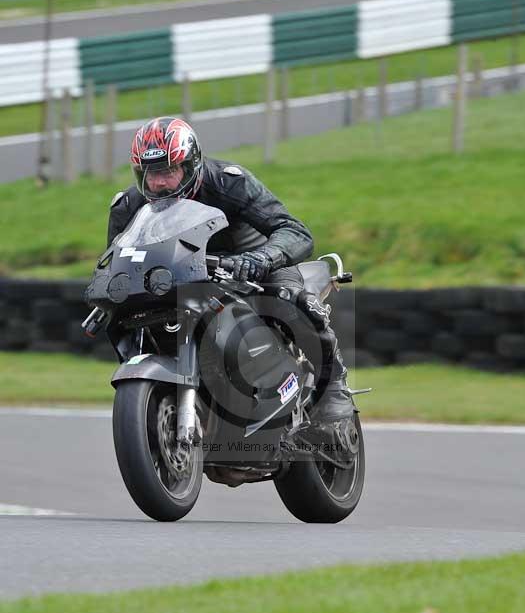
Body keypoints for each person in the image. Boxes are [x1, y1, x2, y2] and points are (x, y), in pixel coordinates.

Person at [106, 116, 353, 422]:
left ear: (191, 165)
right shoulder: (128, 206)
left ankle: (334, 386)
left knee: (295, 300)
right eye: (149, 173)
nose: (158, 182)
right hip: (182, 279)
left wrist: (263, 258)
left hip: (249, 265)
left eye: (168, 171)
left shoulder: (228, 182)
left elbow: (294, 231)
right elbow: (118, 260)